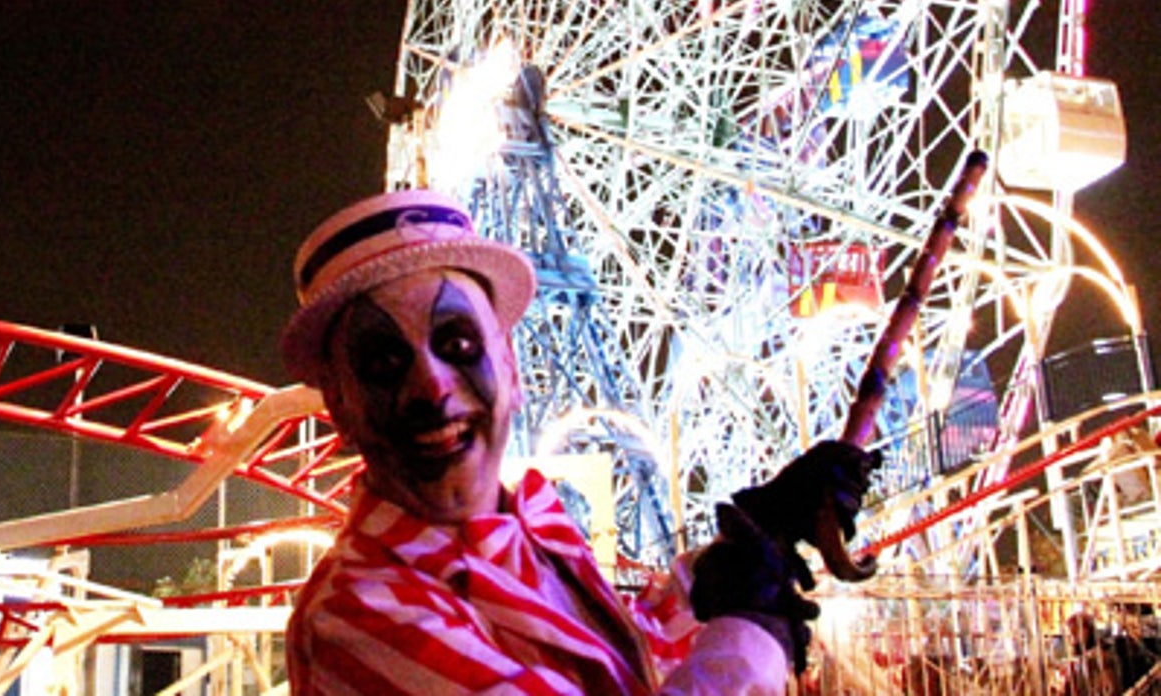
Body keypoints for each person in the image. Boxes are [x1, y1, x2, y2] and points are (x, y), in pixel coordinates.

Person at [280, 189, 878, 695]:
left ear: (511, 367)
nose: (431, 386)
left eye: (459, 344)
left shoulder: (534, 531)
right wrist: (752, 633)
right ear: (339, 405)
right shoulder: (356, 616)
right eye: (383, 361)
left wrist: (736, 551)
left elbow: (633, 657)